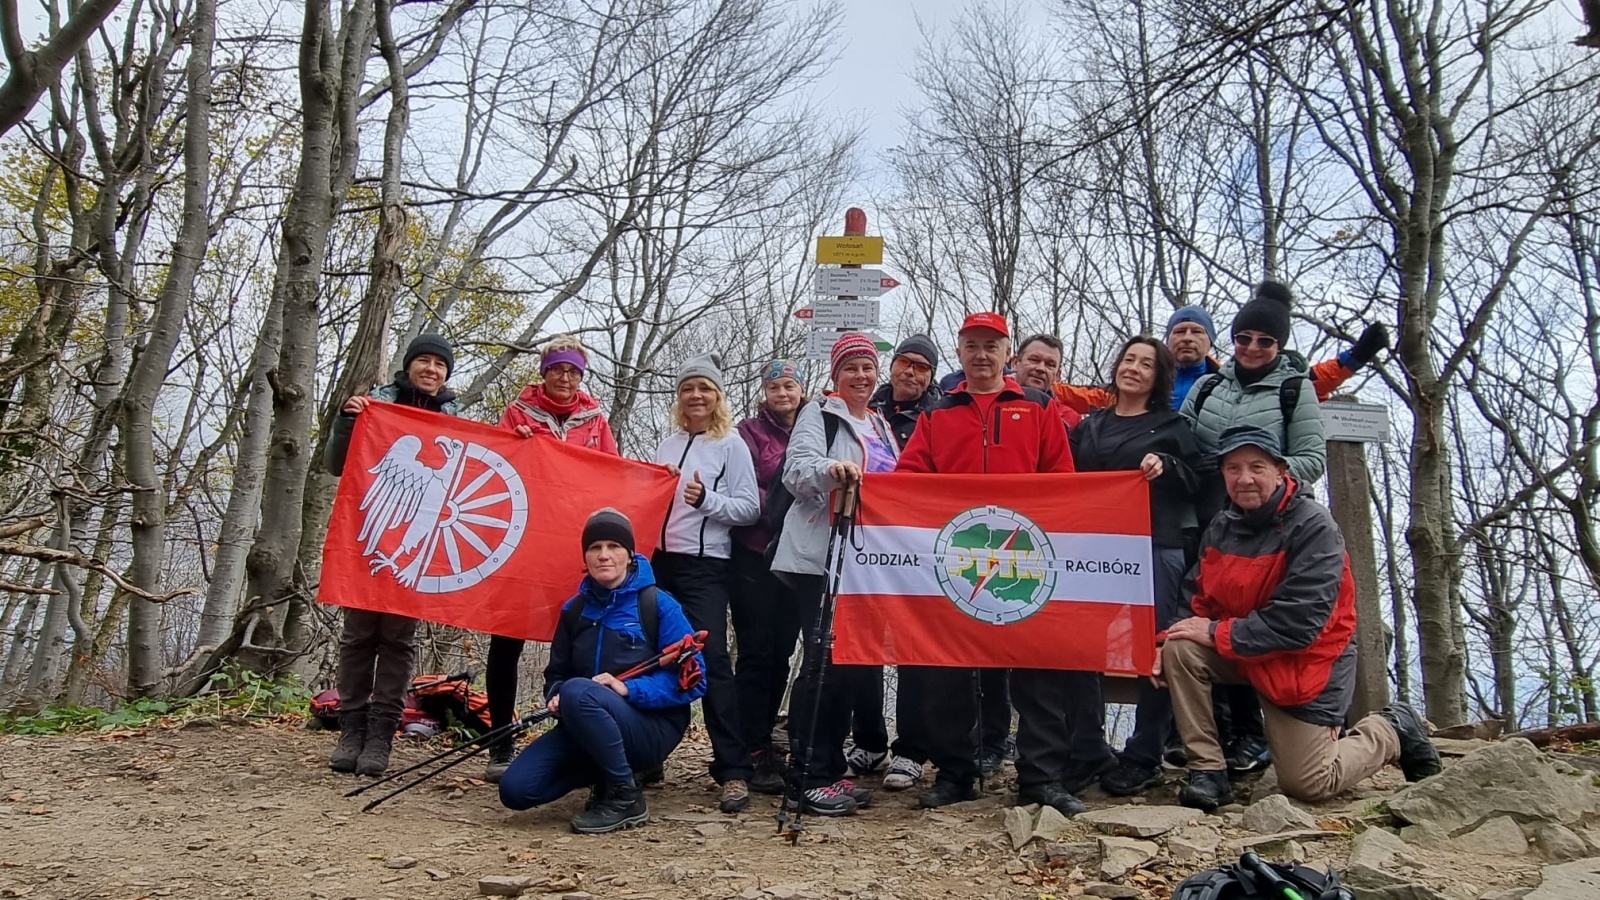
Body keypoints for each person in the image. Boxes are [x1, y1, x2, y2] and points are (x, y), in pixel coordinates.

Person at [1157, 427, 1440, 809]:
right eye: (1233, 468)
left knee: (1310, 783)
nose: (1244, 479)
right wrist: (1166, 640)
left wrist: (1214, 631)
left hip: (1305, 660)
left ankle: (1391, 729)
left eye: (1257, 467)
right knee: (1180, 648)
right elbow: (1197, 597)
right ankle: (1208, 770)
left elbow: (1300, 623)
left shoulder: (1313, 526)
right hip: (1243, 645)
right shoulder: (1222, 525)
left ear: (1281, 470)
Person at [896, 312, 1078, 811]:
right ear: (960, 352)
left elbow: (1061, 480)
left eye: (991, 346)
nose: (981, 355)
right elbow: (909, 479)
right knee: (949, 672)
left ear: (1007, 355)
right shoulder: (936, 414)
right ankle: (954, 774)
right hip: (956, 559)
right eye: (972, 345)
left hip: (1026, 561)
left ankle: (1041, 779)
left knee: (1038, 672)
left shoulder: (1039, 408)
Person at [497, 509, 707, 833]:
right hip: (585, 722)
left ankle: (626, 797)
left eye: (614, 546)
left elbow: (693, 679)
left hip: (651, 727)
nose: (604, 555)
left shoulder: (658, 605)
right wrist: (556, 697)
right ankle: (608, 772)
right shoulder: (574, 611)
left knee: (578, 691)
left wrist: (629, 690)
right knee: (517, 790)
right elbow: (557, 676)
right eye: (595, 547)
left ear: (629, 554)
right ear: (585, 556)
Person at [1064, 336, 1205, 797]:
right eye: (1129, 359)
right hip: (1093, 552)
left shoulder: (1173, 426)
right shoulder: (1091, 426)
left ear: (1158, 376)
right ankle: (1086, 747)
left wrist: (1165, 464)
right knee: (1082, 648)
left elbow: (1198, 483)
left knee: (1155, 650)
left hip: (1154, 547)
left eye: (1147, 364)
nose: (1135, 369)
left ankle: (1144, 753)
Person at [772, 332, 900, 816]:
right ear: (835, 375)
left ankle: (827, 763)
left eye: (868, 368)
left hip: (866, 563)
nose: (862, 376)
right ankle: (808, 773)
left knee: (849, 664)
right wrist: (833, 470)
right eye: (851, 369)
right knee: (824, 659)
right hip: (820, 555)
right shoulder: (819, 414)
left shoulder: (882, 424)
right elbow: (796, 471)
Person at [484, 336, 620, 782]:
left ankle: (583, 734)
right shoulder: (519, 411)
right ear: (544, 372)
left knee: (583, 638)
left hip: (573, 540)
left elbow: (613, 473)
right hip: (524, 537)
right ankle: (500, 741)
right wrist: (516, 442)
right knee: (507, 637)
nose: (565, 378)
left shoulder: (595, 418)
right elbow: (495, 464)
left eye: (573, 371)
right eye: (558, 369)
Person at [325, 334, 461, 776]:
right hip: (369, 538)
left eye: (440, 365)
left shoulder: (455, 420)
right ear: (408, 366)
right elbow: (336, 463)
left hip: (417, 549)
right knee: (359, 635)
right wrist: (349, 421)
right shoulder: (374, 406)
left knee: (399, 640)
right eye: (424, 361)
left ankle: (382, 733)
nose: (432, 370)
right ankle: (352, 728)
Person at [652, 353, 760, 812]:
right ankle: (647, 757)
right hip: (658, 564)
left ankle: (733, 770)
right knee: (651, 659)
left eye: (705, 389)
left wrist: (707, 500)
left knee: (711, 660)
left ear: (718, 397)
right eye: (687, 389)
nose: (695, 396)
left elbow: (750, 508)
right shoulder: (665, 444)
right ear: (679, 398)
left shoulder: (731, 445)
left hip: (705, 566)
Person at [1051, 289, 1390, 416]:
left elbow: (1306, 382)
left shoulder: (1227, 380)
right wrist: (1033, 385)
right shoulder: (1142, 384)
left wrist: (1353, 359)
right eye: (1179, 331)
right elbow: (1089, 397)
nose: (1186, 338)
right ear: (1167, 340)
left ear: (1210, 342)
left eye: (1196, 332)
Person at [858, 334, 943, 792]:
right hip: (868, 540)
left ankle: (911, 749)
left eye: (921, 367)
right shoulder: (866, 411)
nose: (910, 372)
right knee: (862, 640)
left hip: (919, 543)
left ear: (931, 375)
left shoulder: (939, 415)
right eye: (904, 363)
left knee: (914, 647)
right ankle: (868, 739)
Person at [730, 358, 808, 799]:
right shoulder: (748, 433)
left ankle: (766, 738)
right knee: (756, 652)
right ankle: (748, 744)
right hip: (754, 553)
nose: (783, 393)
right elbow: (746, 486)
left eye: (789, 386)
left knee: (782, 651)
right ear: (765, 392)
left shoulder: (814, 427)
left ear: (801, 390)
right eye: (775, 386)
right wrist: (783, 500)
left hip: (796, 555)